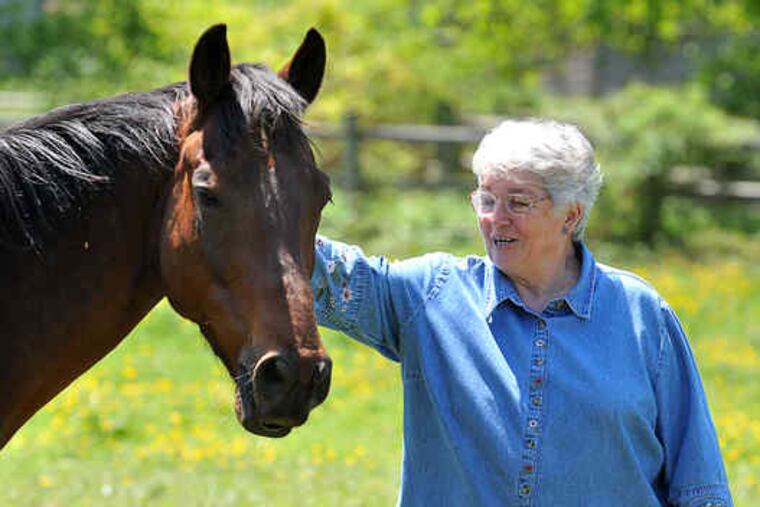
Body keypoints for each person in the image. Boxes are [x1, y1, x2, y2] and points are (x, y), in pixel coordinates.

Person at [311, 118, 732, 506]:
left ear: (571, 216)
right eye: (487, 199)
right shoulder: (431, 297)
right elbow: (314, 270)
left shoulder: (642, 315)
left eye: (518, 202)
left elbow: (698, 482)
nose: (496, 219)